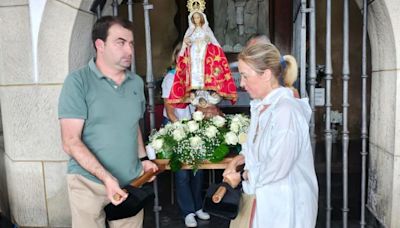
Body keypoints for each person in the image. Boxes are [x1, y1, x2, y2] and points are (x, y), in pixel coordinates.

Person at [58, 16, 158, 228]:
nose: (129, 50)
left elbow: (133, 125)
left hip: (130, 182)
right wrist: (107, 178)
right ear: (99, 45)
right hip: (89, 184)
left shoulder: (136, 82)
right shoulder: (78, 82)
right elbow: (70, 141)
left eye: (130, 43)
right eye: (120, 43)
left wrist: (142, 159)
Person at [222, 43, 318, 228]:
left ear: (265, 74)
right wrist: (238, 160)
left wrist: (243, 175)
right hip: (266, 200)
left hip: (284, 203)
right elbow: (256, 147)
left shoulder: (286, 111)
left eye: (245, 76)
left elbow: (278, 165)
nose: (241, 83)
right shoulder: (262, 107)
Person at [161, 42, 210, 227]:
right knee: (182, 172)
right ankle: (187, 211)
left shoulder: (194, 79)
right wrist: (181, 128)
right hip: (175, 126)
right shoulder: (169, 78)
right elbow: (170, 109)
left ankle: (198, 207)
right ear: (176, 57)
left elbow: (199, 104)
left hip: (192, 124)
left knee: (197, 169)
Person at [168, 0, 237, 117]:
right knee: (195, 73)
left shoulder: (206, 30)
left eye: (198, 18)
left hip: (204, 55)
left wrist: (207, 42)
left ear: (202, 18)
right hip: (194, 55)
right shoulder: (191, 32)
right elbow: (185, 45)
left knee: (205, 72)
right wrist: (187, 43)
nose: (196, 20)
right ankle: (198, 91)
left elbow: (214, 45)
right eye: (194, 18)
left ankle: (207, 91)